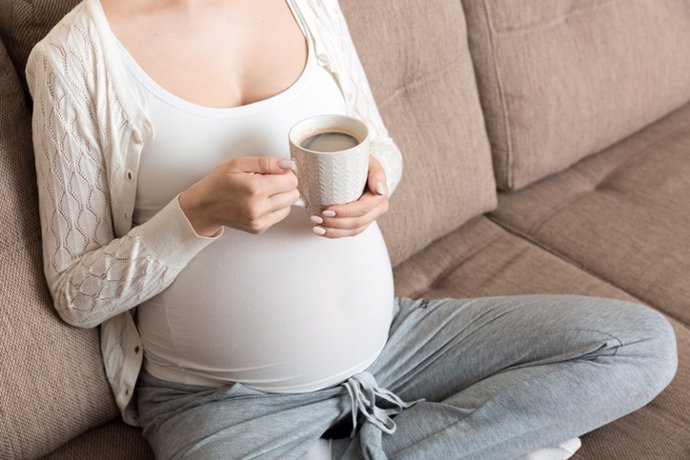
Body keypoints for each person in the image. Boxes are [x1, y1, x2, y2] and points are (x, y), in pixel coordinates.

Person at [26, 0, 678, 459]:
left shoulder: (305, 3)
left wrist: (376, 184)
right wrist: (194, 217)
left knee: (642, 348)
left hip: (394, 343)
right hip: (223, 403)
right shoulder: (77, 58)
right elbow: (77, 296)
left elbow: (380, 146)